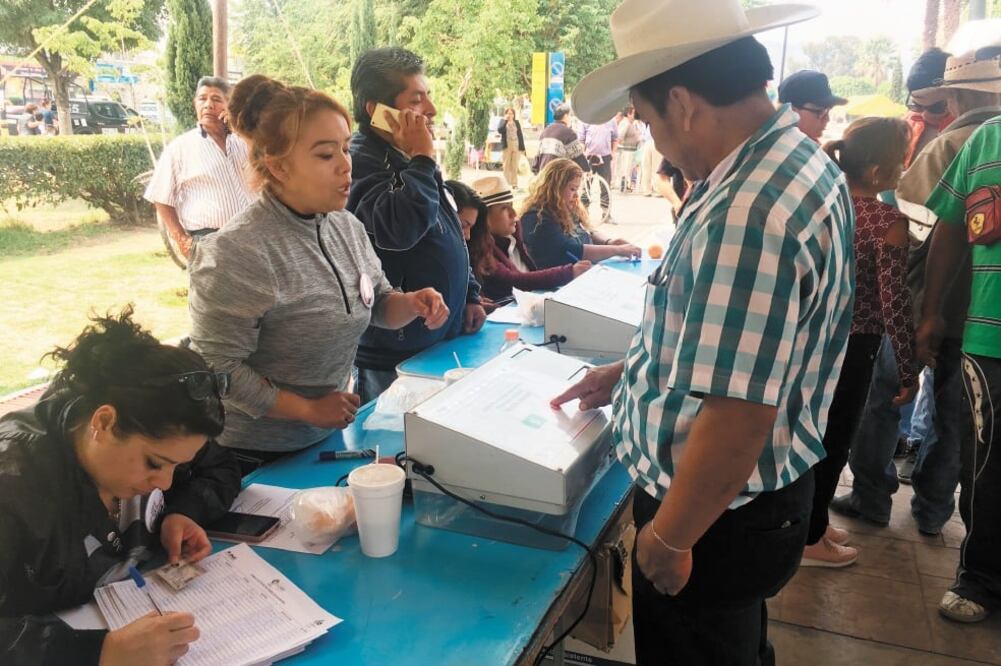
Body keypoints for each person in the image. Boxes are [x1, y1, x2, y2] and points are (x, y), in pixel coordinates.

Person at [556, 0, 852, 661]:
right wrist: (631, 374)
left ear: (683, 104)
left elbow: (738, 411)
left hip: (713, 516)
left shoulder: (746, 210)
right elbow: (742, 342)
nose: (653, 140)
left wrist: (669, 539)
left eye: (646, 118)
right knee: (735, 642)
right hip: (757, 501)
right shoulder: (789, 162)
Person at [188, 75, 449, 475]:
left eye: (345, 149)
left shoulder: (345, 226)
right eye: (326, 155)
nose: (346, 165)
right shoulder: (237, 252)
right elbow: (219, 369)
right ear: (278, 166)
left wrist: (411, 303)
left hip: (322, 440)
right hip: (248, 457)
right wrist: (307, 409)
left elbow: (377, 302)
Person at [0, 307, 240, 665]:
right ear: (105, 422)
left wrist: (182, 511)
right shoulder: (16, 487)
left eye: (180, 466)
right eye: (155, 463)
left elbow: (220, 466)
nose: (164, 482)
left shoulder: (164, 432)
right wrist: (97, 653)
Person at [832, 44, 1001, 536]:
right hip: (980, 313)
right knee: (954, 413)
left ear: (961, 94)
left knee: (886, 396)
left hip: (924, 300)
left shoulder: (954, 144)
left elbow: (915, 226)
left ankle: (870, 496)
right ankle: (931, 511)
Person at [799, 117, 917, 569]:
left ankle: (811, 521)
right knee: (835, 439)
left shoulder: (825, 206)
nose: (903, 171)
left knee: (811, 432)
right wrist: (909, 368)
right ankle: (810, 539)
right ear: (876, 173)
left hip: (812, 337)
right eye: (899, 163)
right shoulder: (887, 221)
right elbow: (894, 302)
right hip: (856, 345)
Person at [347, 47, 485, 405]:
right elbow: (399, 229)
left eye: (429, 97)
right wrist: (423, 159)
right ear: (378, 112)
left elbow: (447, 226)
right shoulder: (360, 162)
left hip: (439, 336)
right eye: (416, 100)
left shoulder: (408, 155)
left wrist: (468, 295)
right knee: (395, 448)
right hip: (393, 359)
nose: (432, 111)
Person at [917, 60, 1001, 627]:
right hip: (989, 338)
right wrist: (930, 314)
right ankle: (981, 575)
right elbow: (949, 228)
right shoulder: (987, 139)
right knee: (986, 462)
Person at [144, 76, 256, 261]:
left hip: (253, 239)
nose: (208, 105)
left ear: (229, 106)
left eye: (217, 99)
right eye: (202, 99)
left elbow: (269, 172)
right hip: (209, 242)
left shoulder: (244, 142)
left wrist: (240, 130)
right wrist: (182, 239)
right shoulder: (180, 147)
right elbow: (160, 197)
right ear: (195, 104)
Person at [468, 175, 590, 300]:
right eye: (504, 208)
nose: (514, 214)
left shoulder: (512, 235)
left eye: (512, 205)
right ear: (484, 217)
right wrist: (569, 272)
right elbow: (514, 280)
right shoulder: (481, 251)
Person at [520, 158, 640, 268]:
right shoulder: (536, 217)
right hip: (558, 281)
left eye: (577, 189)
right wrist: (617, 250)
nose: (576, 195)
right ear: (554, 188)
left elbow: (585, 231)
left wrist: (609, 242)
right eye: (572, 189)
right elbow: (571, 250)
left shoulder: (564, 207)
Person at [904, 48, 955, 166]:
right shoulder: (907, 123)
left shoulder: (970, 132)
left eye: (936, 108)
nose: (924, 115)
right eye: (917, 106)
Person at [777, 70, 847, 142]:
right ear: (791, 111)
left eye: (828, 110)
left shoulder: (809, 146)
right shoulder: (781, 149)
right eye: (820, 111)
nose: (827, 119)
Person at [533, 103, 590, 174]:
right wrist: (587, 170)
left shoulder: (545, 131)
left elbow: (538, 155)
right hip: (558, 176)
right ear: (566, 116)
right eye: (570, 115)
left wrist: (535, 170)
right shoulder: (568, 132)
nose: (570, 118)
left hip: (543, 174)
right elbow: (577, 156)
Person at [579, 117, 618, 217]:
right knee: (586, 185)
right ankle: (583, 213)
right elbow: (581, 140)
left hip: (605, 157)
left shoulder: (611, 120)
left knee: (605, 186)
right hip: (589, 156)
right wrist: (582, 155)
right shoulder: (586, 119)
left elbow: (615, 139)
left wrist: (613, 153)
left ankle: (606, 213)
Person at [614, 105, 642, 191]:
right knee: (625, 168)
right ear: (629, 114)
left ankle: (625, 185)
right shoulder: (625, 123)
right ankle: (623, 185)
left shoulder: (629, 123)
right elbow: (620, 136)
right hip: (626, 150)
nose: (635, 115)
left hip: (630, 149)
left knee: (627, 168)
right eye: (633, 113)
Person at [498, 107, 525, 190]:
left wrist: (522, 147)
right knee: (506, 165)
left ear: (514, 115)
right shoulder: (502, 121)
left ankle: (514, 183)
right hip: (507, 144)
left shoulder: (516, 122)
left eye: (511, 113)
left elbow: (520, 135)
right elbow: (500, 130)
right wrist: (506, 120)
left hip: (516, 144)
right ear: (505, 114)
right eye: (508, 113)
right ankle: (506, 183)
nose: (510, 115)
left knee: (515, 164)